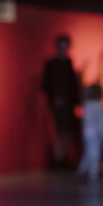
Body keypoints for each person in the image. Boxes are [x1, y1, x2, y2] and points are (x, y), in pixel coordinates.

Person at [41, 34, 79, 168]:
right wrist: (55, 99)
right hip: (58, 104)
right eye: (62, 45)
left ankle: (63, 158)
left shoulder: (68, 62)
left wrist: (75, 101)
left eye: (66, 45)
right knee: (60, 131)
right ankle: (59, 160)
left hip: (68, 104)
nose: (64, 48)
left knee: (67, 131)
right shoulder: (51, 64)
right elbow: (46, 84)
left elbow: (72, 84)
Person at [76, 83, 103, 183]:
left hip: (89, 134)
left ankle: (82, 171)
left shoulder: (87, 107)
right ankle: (92, 175)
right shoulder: (99, 107)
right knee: (94, 154)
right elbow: (102, 123)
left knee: (89, 154)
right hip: (95, 134)